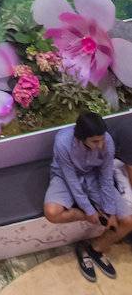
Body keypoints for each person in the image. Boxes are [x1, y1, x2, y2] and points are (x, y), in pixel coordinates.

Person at [44, 110, 132, 282]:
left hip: (94, 177)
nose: (101, 144)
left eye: (102, 139)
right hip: (64, 177)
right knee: (52, 212)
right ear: (80, 138)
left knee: (128, 221)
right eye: (95, 141)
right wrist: (90, 212)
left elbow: (106, 178)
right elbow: (71, 180)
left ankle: (94, 249)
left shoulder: (107, 142)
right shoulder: (63, 142)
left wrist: (110, 210)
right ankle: (91, 217)